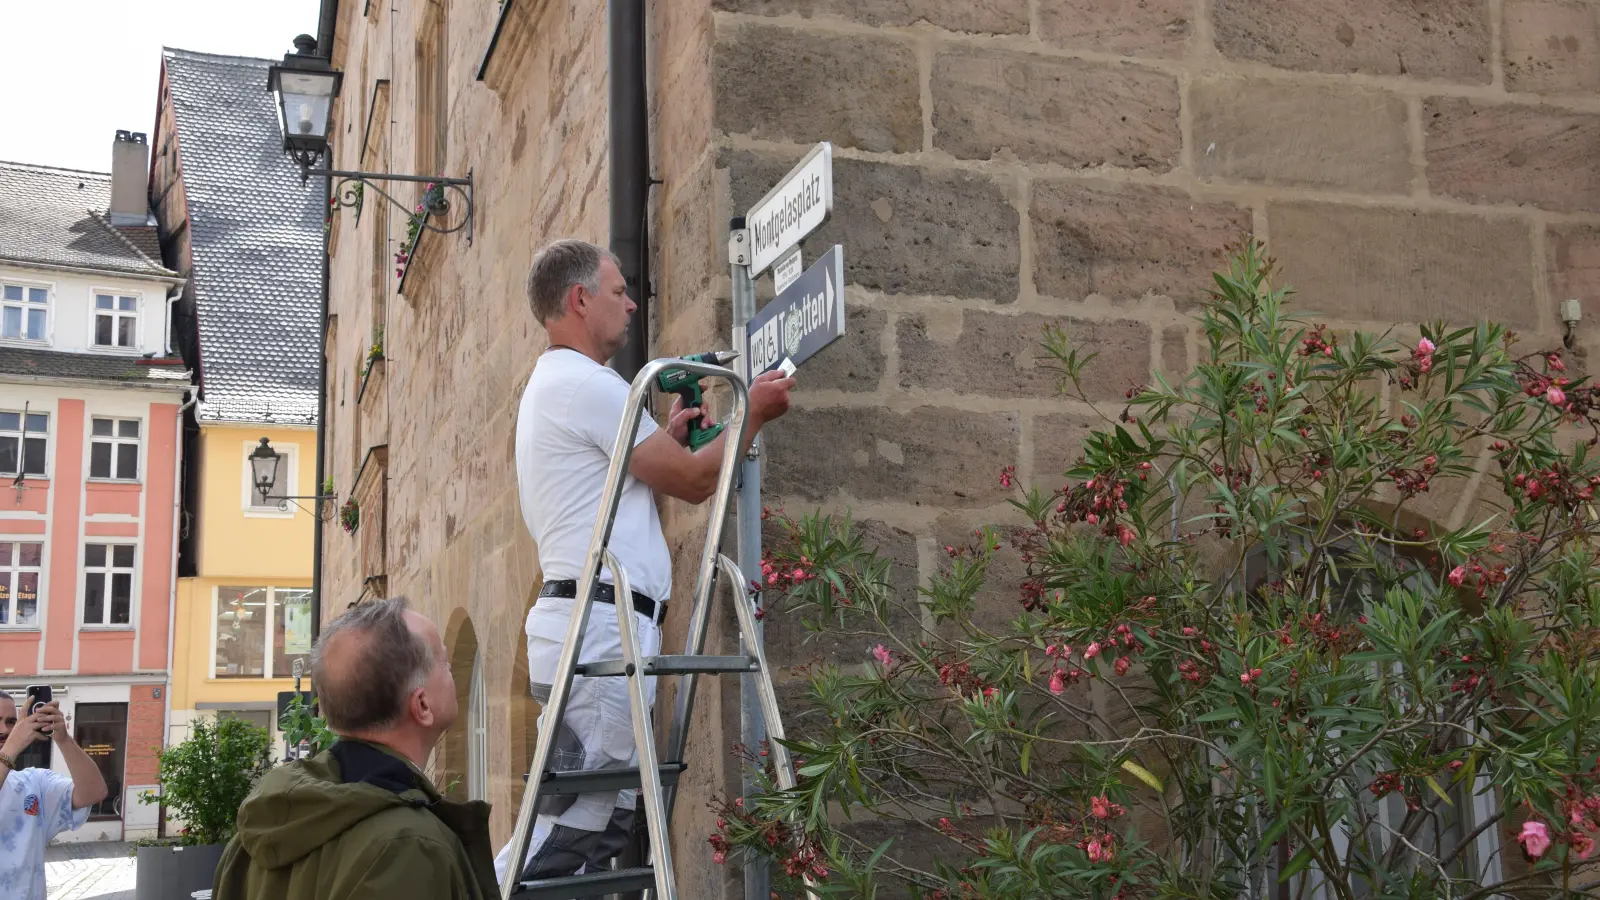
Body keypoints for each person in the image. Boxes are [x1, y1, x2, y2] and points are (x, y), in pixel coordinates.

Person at [495, 238, 795, 882]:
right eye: (618, 291)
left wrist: (673, 442)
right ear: (580, 300)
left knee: (592, 824)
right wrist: (755, 414)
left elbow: (653, 474)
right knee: (576, 833)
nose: (631, 304)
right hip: (602, 626)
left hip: (592, 622)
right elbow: (690, 482)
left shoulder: (560, 385)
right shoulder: (589, 386)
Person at [213, 597, 498, 899]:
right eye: (442, 661)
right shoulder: (409, 848)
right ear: (422, 705)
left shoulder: (257, 832)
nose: (451, 666)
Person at [0, 691, 109, 900]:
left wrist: (63, 739)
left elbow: (95, 792)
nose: (4, 730)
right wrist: (12, 746)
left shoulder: (33, 782)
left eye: (11, 722)